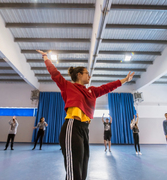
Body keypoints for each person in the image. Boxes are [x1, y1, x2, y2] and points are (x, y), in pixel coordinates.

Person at [36, 49, 135, 180]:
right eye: (87, 74)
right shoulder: (67, 86)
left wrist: (125, 80)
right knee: (74, 167)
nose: (89, 76)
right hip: (72, 126)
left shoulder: (91, 91)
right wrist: (45, 58)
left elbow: (107, 87)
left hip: (84, 129)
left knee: (83, 165)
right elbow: (54, 73)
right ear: (78, 74)